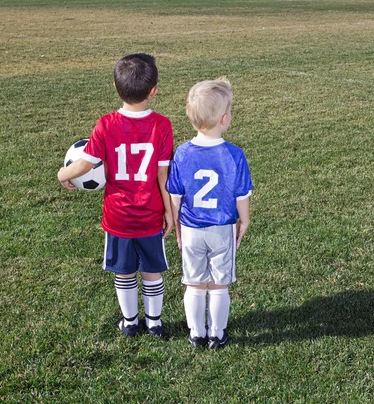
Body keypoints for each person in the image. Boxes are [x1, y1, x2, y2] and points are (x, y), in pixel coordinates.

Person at [57, 53, 173, 338]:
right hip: (150, 214)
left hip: (118, 216)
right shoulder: (162, 125)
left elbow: (85, 164)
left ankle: (130, 322)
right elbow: (162, 176)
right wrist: (170, 212)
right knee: (151, 271)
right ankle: (154, 323)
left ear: (115, 87)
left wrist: (63, 174)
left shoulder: (106, 124)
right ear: (153, 91)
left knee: (124, 272)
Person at [167, 77, 252, 349]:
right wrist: (245, 220)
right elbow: (241, 195)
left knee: (194, 284)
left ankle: (196, 333)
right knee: (218, 286)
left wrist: (177, 227)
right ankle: (216, 334)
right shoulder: (234, 154)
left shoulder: (182, 154)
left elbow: (175, 197)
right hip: (221, 228)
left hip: (191, 229)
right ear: (225, 119)